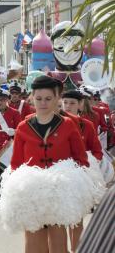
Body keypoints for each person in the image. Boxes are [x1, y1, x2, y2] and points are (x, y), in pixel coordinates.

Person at [10, 76, 89, 253]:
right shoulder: (23, 127)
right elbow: (16, 163)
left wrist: (74, 184)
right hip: (32, 193)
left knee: (58, 244)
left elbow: (81, 159)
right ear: (31, 98)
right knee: (33, 242)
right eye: (38, 99)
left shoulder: (68, 125)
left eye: (48, 99)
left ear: (56, 99)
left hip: (59, 194)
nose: (43, 103)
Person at [61, 89, 103, 252]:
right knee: (57, 221)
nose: (68, 106)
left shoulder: (87, 125)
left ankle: (77, 250)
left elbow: (97, 150)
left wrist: (91, 162)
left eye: (72, 103)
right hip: (57, 178)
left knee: (76, 220)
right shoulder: (53, 123)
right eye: (65, 103)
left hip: (79, 179)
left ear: (80, 105)